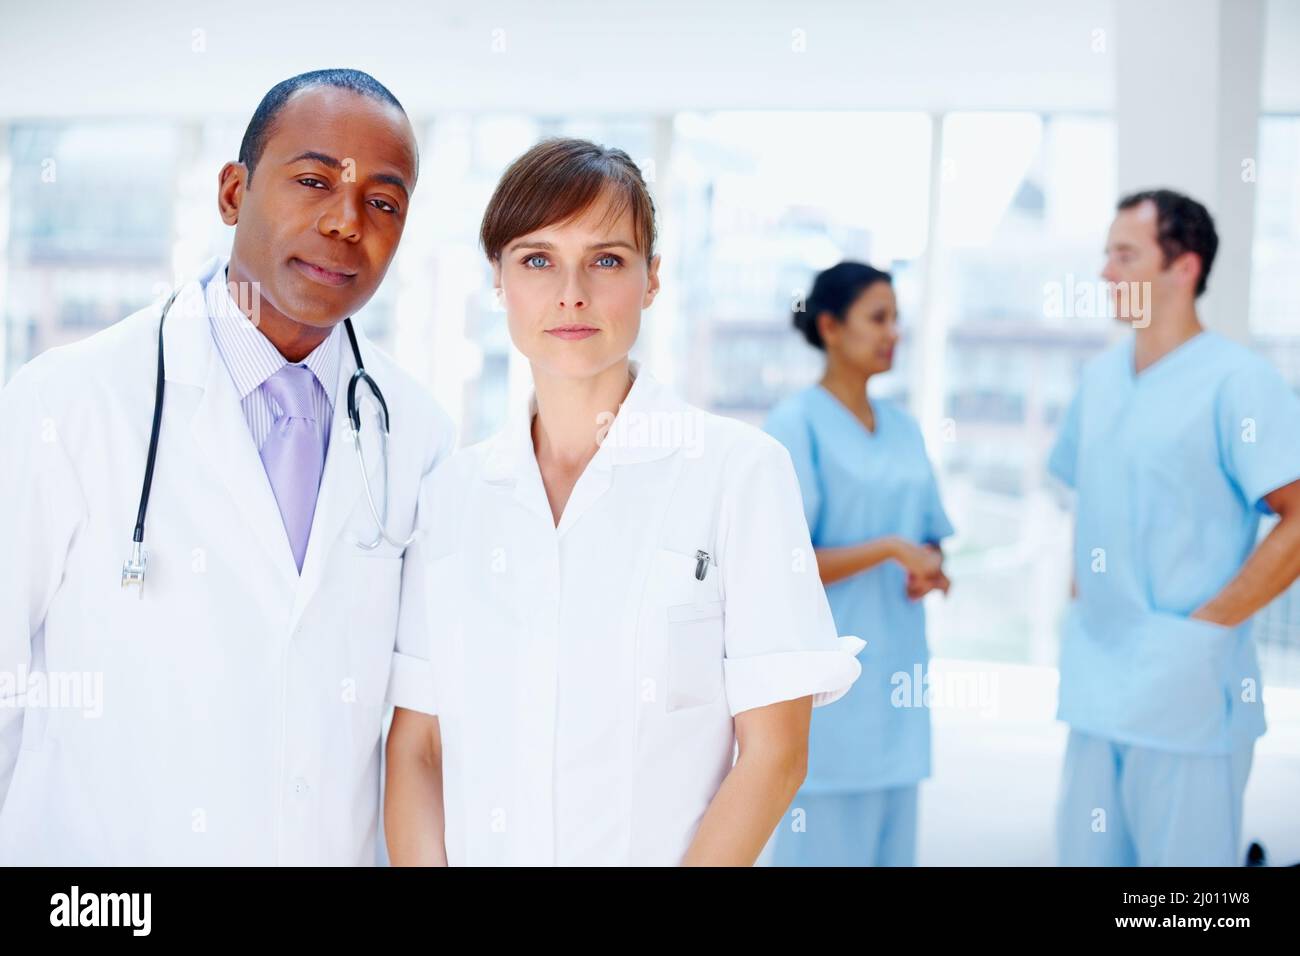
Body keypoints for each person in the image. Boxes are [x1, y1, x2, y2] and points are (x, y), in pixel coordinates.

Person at [0, 69, 455, 864]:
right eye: (313, 180)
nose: (347, 222)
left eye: (384, 202)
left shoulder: (416, 435)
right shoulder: (66, 404)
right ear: (232, 192)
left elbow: (417, 729)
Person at [383, 138, 864, 866]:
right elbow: (416, 747)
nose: (571, 291)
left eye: (606, 259)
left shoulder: (740, 473)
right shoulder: (449, 498)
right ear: (499, 281)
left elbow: (775, 755)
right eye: (537, 259)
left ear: (651, 280)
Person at [1049, 188, 1300, 866]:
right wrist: (1082, 598)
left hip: (1186, 682)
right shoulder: (1099, 380)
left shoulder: (1238, 382)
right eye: (1105, 254)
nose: (1106, 272)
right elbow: (1088, 500)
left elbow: (1297, 518)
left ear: (1183, 267)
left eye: (1125, 254)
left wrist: (1205, 630)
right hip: (1099, 677)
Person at [764, 262, 953, 867]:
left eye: (896, 318)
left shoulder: (904, 428)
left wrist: (929, 566)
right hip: (828, 691)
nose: (892, 332)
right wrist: (892, 548)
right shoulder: (795, 425)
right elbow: (785, 563)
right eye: (877, 318)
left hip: (897, 684)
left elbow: (929, 535)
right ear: (831, 326)